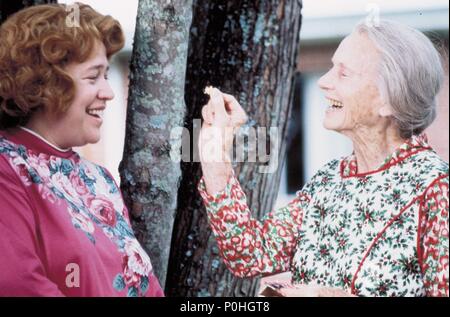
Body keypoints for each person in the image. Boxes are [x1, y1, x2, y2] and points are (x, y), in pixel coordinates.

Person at [198, 20, 449, 297]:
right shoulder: (330, 178)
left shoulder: (436, 188)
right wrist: (214, 151)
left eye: (343, 74)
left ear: (389, 100)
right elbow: (249, 253)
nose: (322, 81)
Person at [0, 3, 163, 297]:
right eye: (93, 77)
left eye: (106, 75)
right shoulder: (7, 168)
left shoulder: (99, 178)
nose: (109, 92)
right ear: (47, 85)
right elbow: (18, 284)